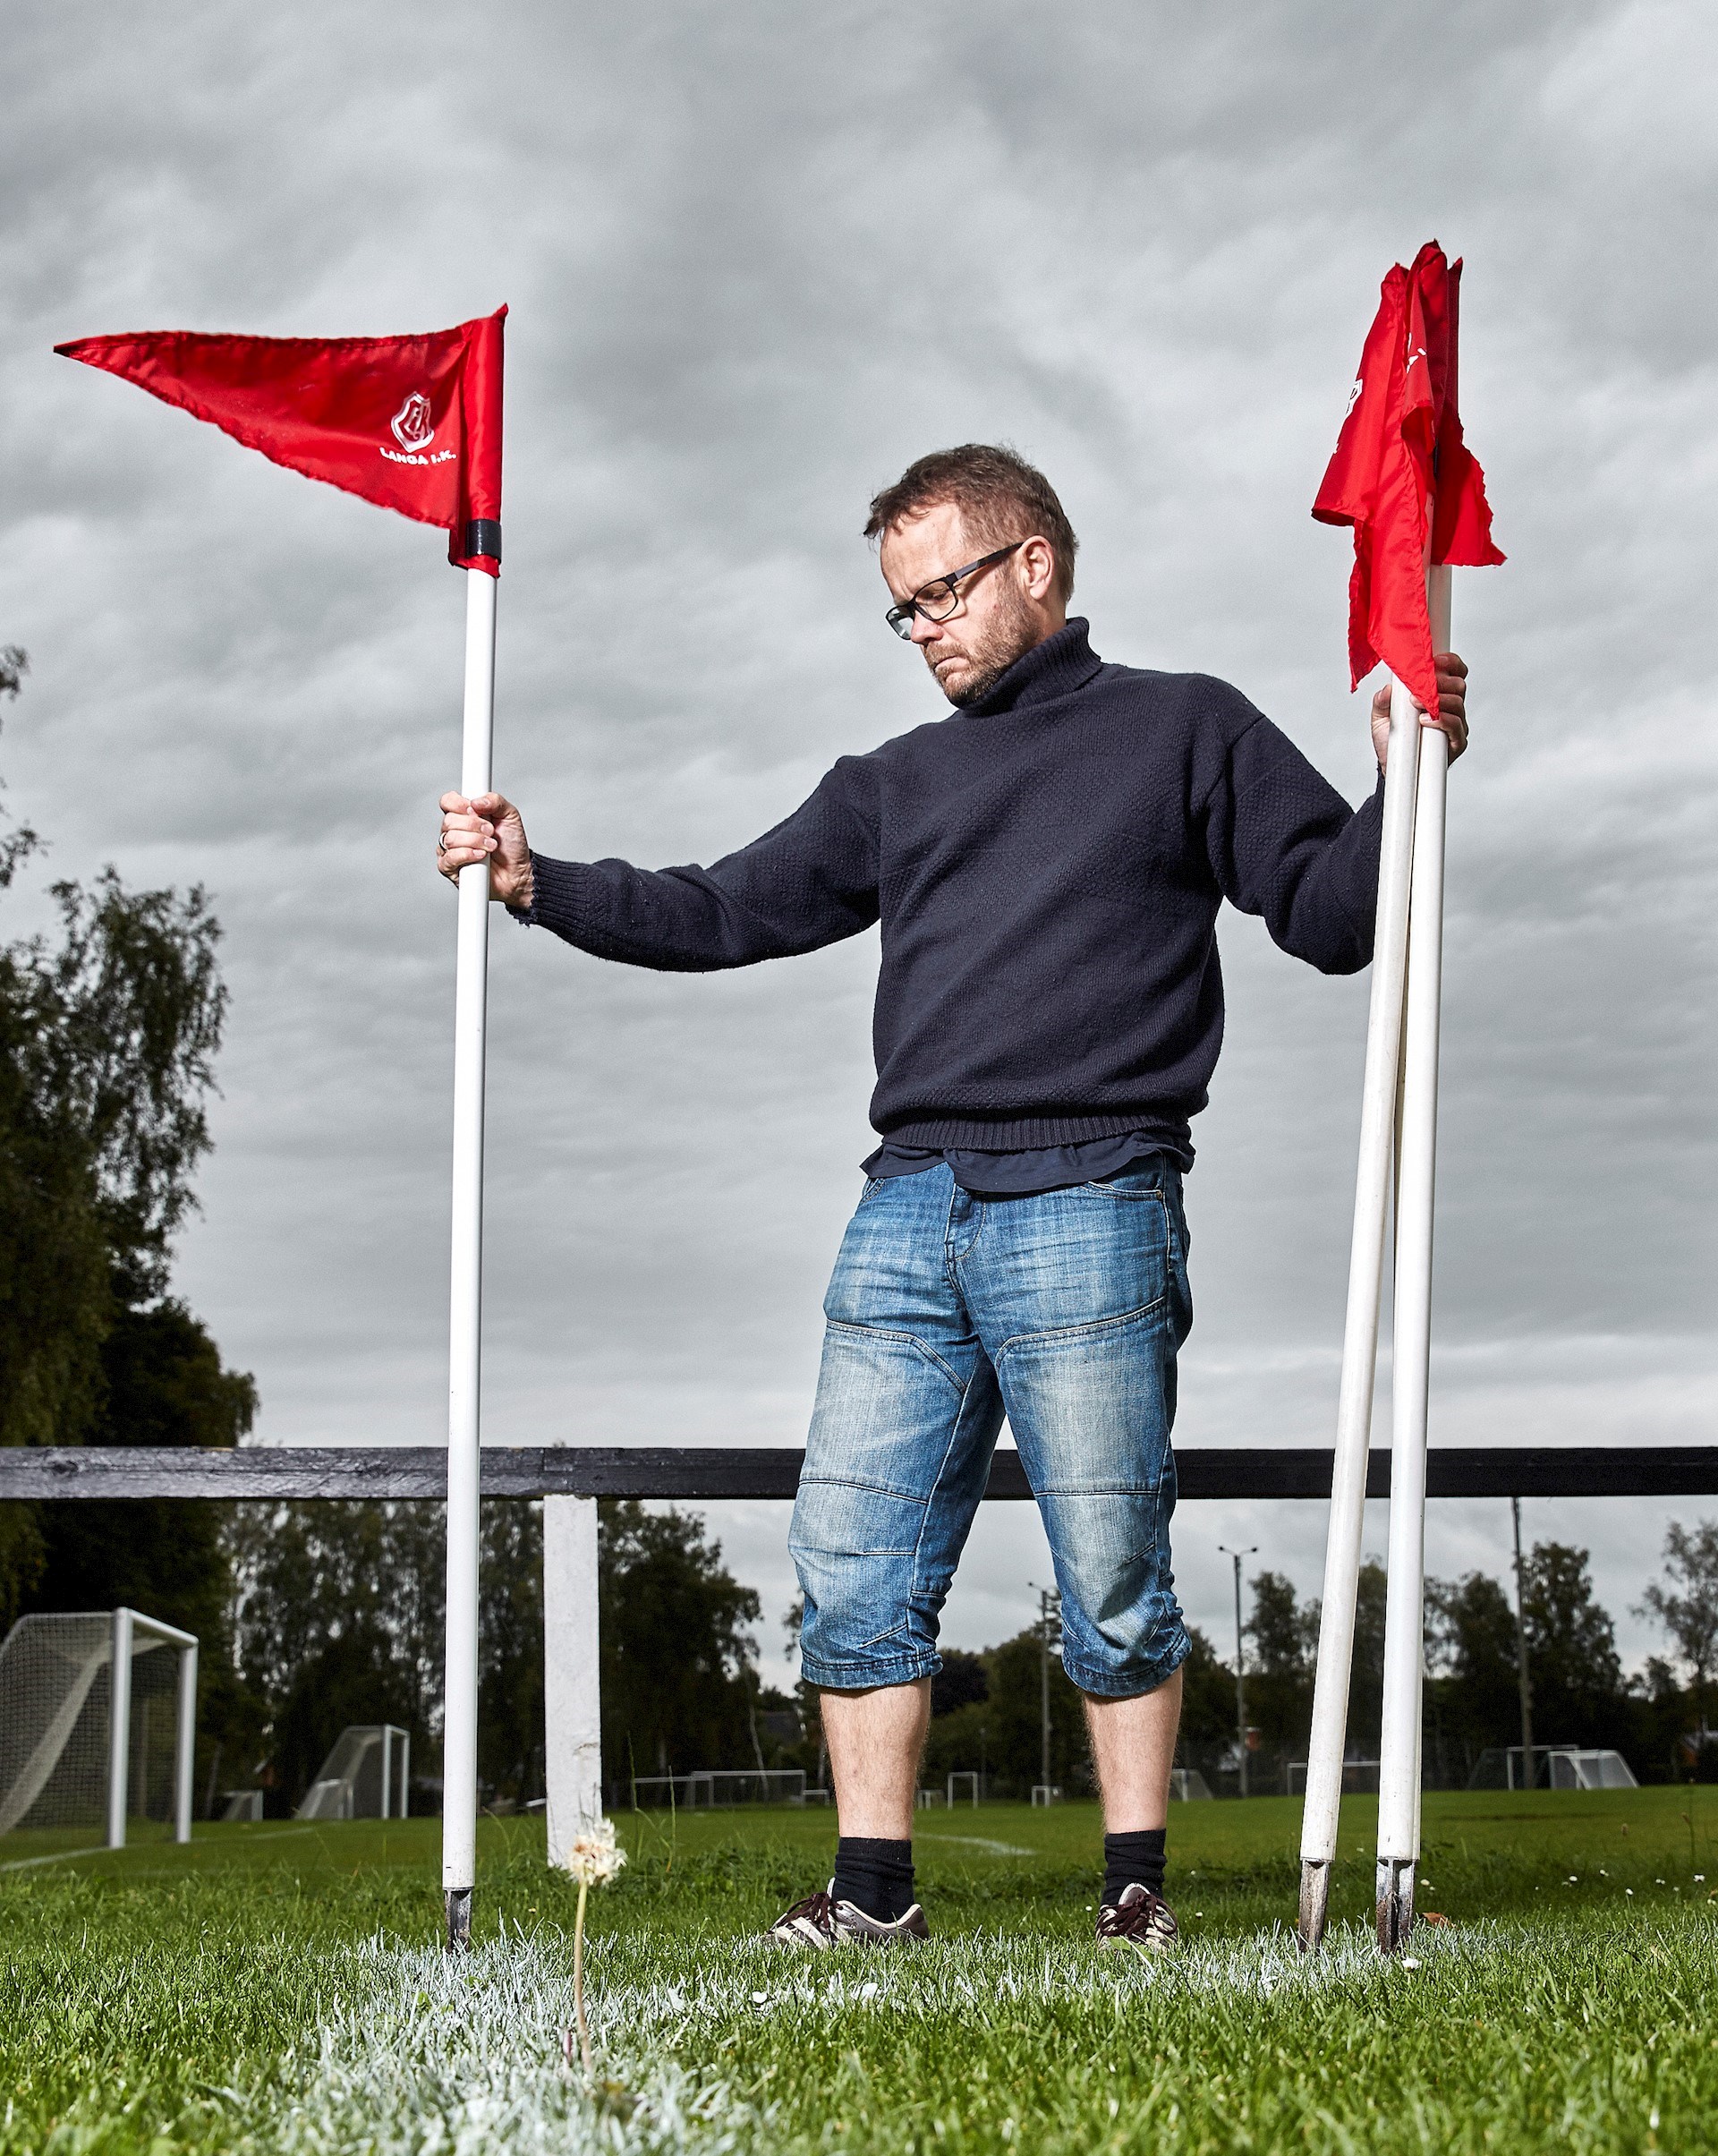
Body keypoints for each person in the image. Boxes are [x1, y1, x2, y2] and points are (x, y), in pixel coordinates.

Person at [436, 445, 1467, 1954]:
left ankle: (1133, 1890)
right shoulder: (893, 784)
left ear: (1035, 563)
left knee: (1110, 1565)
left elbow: (1331, 916)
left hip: (1095, 1196)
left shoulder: (1188, 727)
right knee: (849, 1554)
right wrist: (544, 883)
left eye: (942, 593)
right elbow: (724, 906)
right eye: (900, 608)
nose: (921, 628)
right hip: (908, 1210)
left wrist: (1406, 781)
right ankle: (872, 1896)